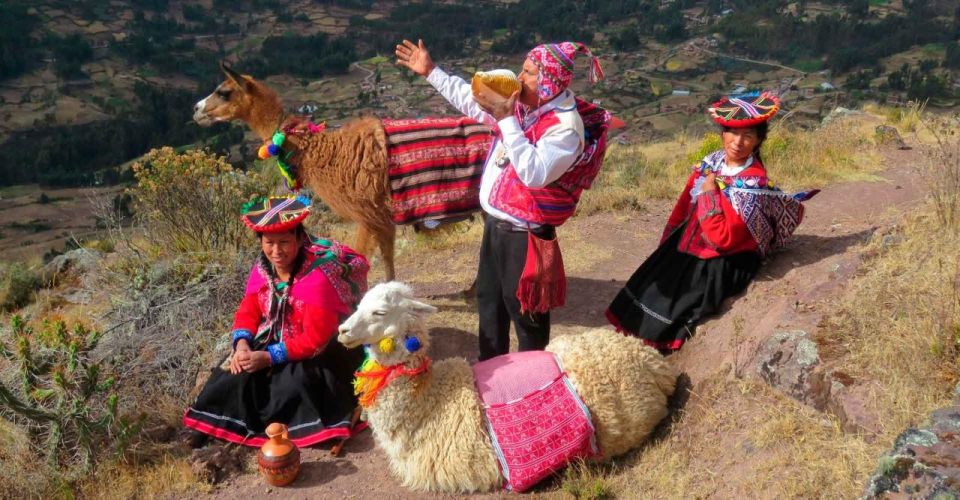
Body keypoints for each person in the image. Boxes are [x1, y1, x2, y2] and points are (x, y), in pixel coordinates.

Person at [395, 39, 607, 361]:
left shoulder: (565, 128)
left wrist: (507, 119)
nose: (520, 78)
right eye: (522, 69)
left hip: (525, 238)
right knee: (490, 305)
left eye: (529, 72)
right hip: (496, 229)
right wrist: (431, 71)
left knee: (526, 316)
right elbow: (471, 100)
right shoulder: (525, 107)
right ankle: (492, 375)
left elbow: (534, 173)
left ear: (549, 81)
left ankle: (534, 382)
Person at [606, 92, 818, 354]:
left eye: (748, 136)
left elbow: (723, 239)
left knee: (674, 307)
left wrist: (708, 194)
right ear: (723, 133)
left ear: (758, 141)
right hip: (690, 243)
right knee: (649, 287)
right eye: (732, 132)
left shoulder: (752, 184)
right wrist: (666, 243)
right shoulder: (712, 163)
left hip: (723, 259)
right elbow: (683, 207)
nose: (738, 142)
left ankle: (657, 355)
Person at [183, 195, 369, 447]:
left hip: (317, 351)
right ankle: (216, 427)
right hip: (274, 337)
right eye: (269, 243)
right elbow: (248, 310)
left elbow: (316, 339)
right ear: (260, 242)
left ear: (300, 239)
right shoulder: (262, 270)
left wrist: (269, 357)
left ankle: (280, 433)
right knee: (231, 374)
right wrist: (242, 346)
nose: (276, 251)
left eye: (284, 242)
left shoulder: (317, 280)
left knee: (295, 383)